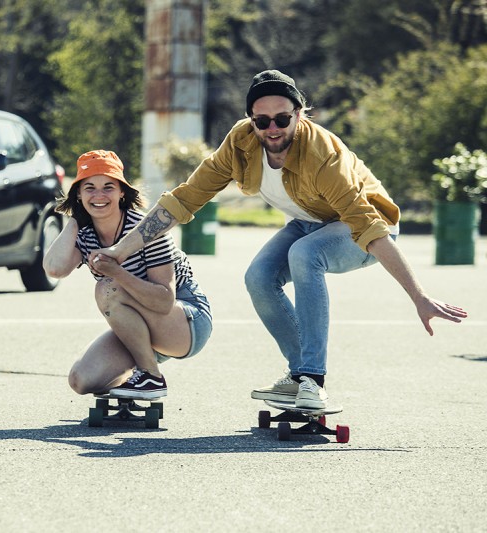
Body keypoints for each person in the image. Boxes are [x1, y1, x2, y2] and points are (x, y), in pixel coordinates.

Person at [90, 70, 468, 409]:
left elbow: (370, 227)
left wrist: (418, 296)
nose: (273, 129)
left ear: (300, 115)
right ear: (251, 120)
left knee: (306, 255)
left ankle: (313, 380)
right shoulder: (240, 142)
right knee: (258, 277)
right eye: (262, 120)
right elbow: (186, 198)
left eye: (283, 119)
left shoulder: (323, 156)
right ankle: (298, 376)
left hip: (363, 229)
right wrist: (120, 250)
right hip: (309, 223)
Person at [43, 150, 213, 400]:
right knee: (82, 380)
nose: (99, 195)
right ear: (78, 194)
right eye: (89, 188)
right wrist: (75, 219)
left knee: (107, 288)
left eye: (108, 187)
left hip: (186, 321)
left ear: (122, 191)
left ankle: (150, 377)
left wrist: (117, 273)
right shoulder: (86, 232)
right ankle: (135, 380)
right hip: (139, 326)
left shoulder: (145, 231)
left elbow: (164, 301)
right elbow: (55, 269)